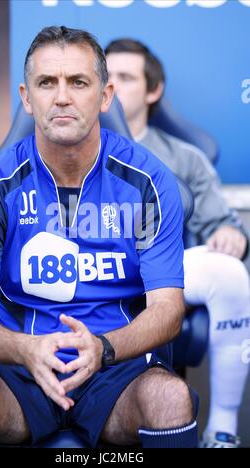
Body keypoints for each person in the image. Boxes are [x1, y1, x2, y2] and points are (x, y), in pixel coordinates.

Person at [0, 26, 198, 449]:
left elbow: (168, 310)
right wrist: (24, 348)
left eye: (78, 82)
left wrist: (103, 348)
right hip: (18, 372)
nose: (62, 97)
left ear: (105, 96)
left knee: (170, 398)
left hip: (116, 369)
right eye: (47, 83)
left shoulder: (148, 183)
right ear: (27, 98)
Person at [105, 38, 250, 449]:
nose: (111, 87)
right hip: (85, 271)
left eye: (125, 78)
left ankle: (221, 431)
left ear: (153, 91)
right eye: (104, 77)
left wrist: (232, 234)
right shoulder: (69, 147)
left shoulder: (185, 158)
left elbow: (221, 224)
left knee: (229, 273)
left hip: (159, 272)